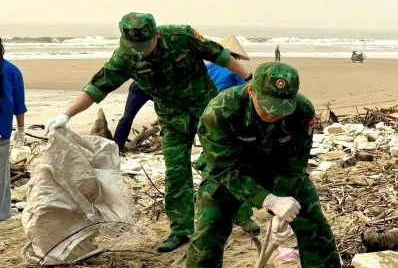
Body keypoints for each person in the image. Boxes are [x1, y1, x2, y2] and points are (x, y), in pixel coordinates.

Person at [177, 62, 368, 268]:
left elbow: (295, 162)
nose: (274, 114)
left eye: (281, 108)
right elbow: (223, 167)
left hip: (277, 169)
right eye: (268, 106)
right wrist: (268, 200)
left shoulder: (302, 110)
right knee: (208, 232)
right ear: (252, 91)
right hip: (228, 173)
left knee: (314, 221)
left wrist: (284, 205)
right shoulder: (220, 111)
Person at [44, 14, 252, 252]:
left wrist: (249, 79)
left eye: (145, 45)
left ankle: (242, 214)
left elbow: (221, 55)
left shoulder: (181, 36)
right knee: (176, 174)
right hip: (172, 118)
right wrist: (66, 114)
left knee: (224, 160)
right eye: (134, 46)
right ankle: (181, 231)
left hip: (206, 108)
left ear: (156, 34)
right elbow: (97, 86)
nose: (140, 52)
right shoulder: (125, 57)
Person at [114, 35, 250, 150]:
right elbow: (246, 91)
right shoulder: (235, 71)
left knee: (130, 117)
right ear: (236, 56)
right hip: (208, 101)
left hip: (143, 87)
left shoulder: (208, 66)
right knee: (183, 118)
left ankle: (117, 147)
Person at [1, 37, 27, 222]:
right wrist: (21, 128)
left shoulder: (10, 70)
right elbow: (18, 104)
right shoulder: (12, 70)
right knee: (2, 176)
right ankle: (2, 214)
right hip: (1, 131)